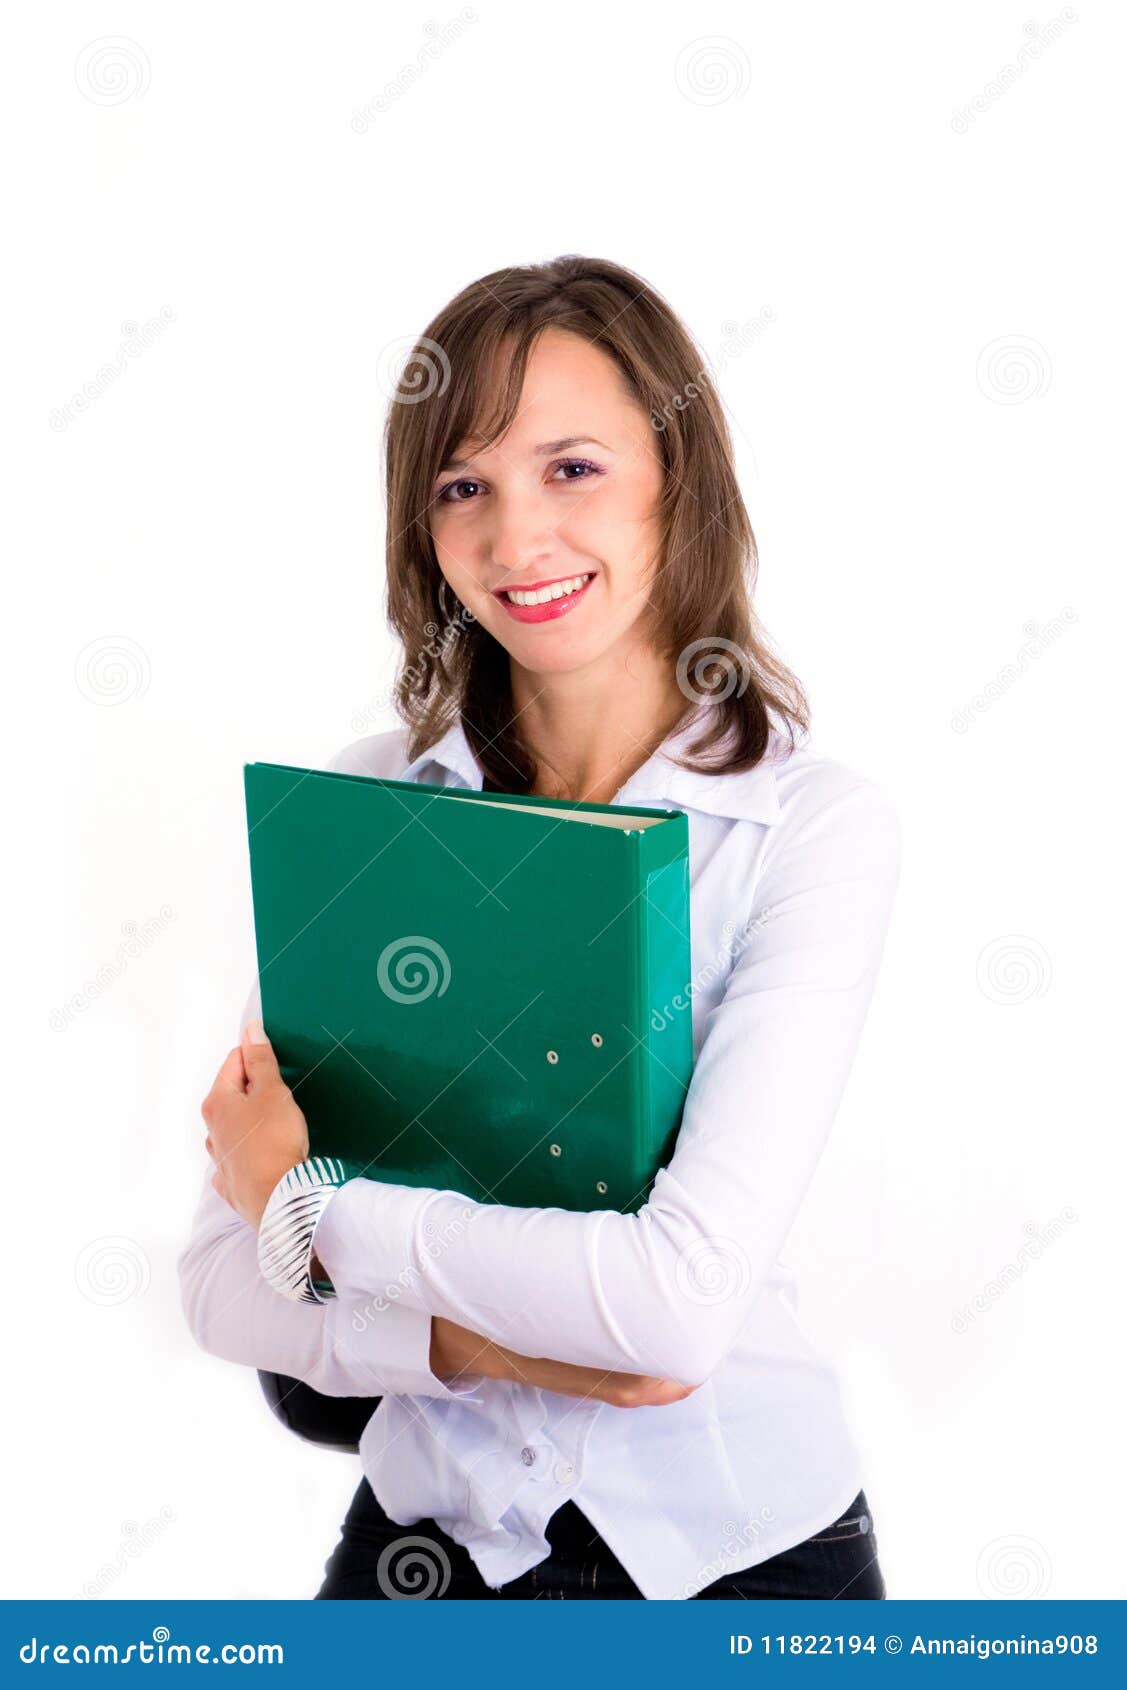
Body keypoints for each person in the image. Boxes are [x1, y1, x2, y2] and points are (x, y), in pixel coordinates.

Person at [179, 255, 901, 1601]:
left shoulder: (811, 827)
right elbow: (222, 1283)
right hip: (424, 1545)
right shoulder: (368, 806)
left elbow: (675, 1305)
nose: (518, 540)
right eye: (464, 486)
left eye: (573, 468)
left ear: (678, 474)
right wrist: (512, 1342)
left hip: (740, 1562)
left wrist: (313, 1204)